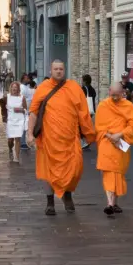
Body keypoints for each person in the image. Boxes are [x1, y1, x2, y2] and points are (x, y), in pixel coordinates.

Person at [27, 60, 96, 215]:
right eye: (56, 69)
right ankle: (50, 202)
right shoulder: (43, 88)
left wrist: (88, 132)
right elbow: (33, 112)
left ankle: (67, 194)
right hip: (48, 139)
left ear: (65, 70)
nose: (58, 71)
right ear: (50, 71)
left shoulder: (73, 87)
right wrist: (30, 133)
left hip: (70, 139)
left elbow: (83, 112)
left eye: (61, 69)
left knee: (74, 169)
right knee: (48, 171)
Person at [95, 82, 133, 216]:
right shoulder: (103, 105)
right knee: (109, 172)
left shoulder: (129, 106)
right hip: (107, 143)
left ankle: (114, 202)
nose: (115, 98)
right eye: (112, 95)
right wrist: (110, 136)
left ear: (123, 93)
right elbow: (99, 126)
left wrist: (119, 134)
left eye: (117, 95)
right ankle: (109, 203)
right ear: (109, 92)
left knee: (118, 172)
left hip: (121, 143)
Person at [5, 81, 28, 163]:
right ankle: (10, 148)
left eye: (16, 87)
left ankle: (16, 158)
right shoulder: (7, 97)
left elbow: (25, 109)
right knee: (10, 140)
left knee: (18, 139)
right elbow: (3, 107)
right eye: (13, 87)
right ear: (11, 88)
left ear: (18, 88)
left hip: (19, 120)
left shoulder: (22, 97)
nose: (14, 88)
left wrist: (21, 110)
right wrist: (4, 116)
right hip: (11, 120)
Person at [81, 74, 97, 151]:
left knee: (82, 126)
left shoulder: (83, 89)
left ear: (85, 81)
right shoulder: (92, 89)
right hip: (91, 110)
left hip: (85, 110)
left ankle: (86, 141)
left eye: (82, 80)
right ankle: (87, 141)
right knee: (87, 125)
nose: (81, 82)